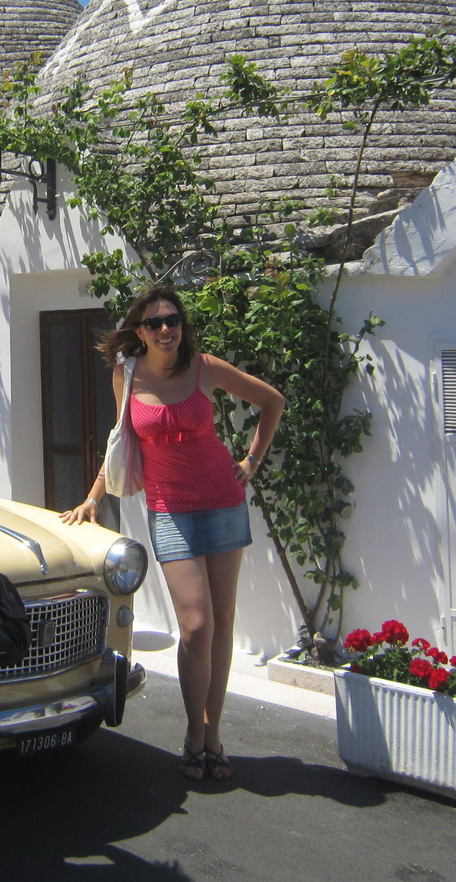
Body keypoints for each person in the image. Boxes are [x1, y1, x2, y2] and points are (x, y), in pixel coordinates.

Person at [61, 284, 285, 782]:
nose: (167, 329)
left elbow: (272, 401)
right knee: (196, 625)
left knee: (222, 623)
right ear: (139, 331)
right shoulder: (127, 374)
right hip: (171, 510)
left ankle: (212, 733)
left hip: (223, 503)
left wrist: (250, 461)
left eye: (174, 320)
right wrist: (93, 498)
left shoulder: (205, 367)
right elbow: (121, 444)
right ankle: (191, 729)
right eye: (156, 322)